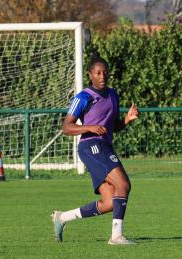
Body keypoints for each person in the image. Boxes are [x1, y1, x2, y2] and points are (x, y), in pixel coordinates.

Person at [51, 56, 139, 244]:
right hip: (90, 147)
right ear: (90, 75)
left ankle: (62, 218)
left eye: (105, 72)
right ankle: (116, 236)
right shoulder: (83, 97)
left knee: (109, 203)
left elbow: (112, 126)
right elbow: (66, 127)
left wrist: (127, 120)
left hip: (104, 146)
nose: (102, 76)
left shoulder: (113, 94)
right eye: (98, 73)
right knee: (123, 185)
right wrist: (88, 127)